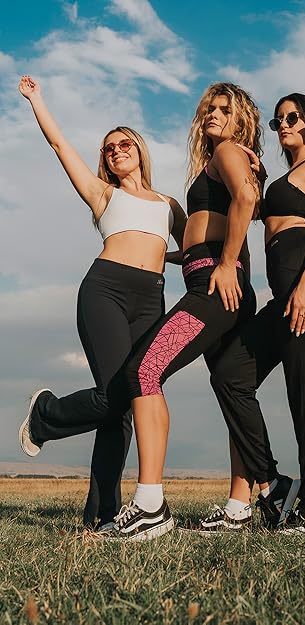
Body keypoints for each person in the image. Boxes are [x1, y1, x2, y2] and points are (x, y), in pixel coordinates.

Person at [94, 82, 287, 541]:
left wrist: (223, 263)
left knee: (144, 369)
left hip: (216, 287)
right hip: (216, 279)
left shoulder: (228, 152)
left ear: (242, 119)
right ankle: (241, 504)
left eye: (225, 109)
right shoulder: (228, 157)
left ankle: (149, 506)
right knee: (229, 390)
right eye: (209, 110)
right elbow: (239, 206)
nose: (213, 116)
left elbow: (243, 200)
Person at [16, 75, 186, 531]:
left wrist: (161, 255)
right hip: (105, 290)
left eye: (123, 143)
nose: (115, 150)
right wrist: (37, 99)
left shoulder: (169, 204)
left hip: (151, 298)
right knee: (115, 399)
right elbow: (58, 145)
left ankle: (103, 516)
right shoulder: (101, 192)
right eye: (108, 148)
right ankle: (46, 413)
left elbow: (194, 249)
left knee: (130, 404)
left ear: (139, 149)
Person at [206, 93, 305, 535]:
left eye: (292, 117)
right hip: (283, 288)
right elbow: (251, 210)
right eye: (277, 119)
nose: (283, 124)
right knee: (230, 374)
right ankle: (273, 480)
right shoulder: (283, 175)